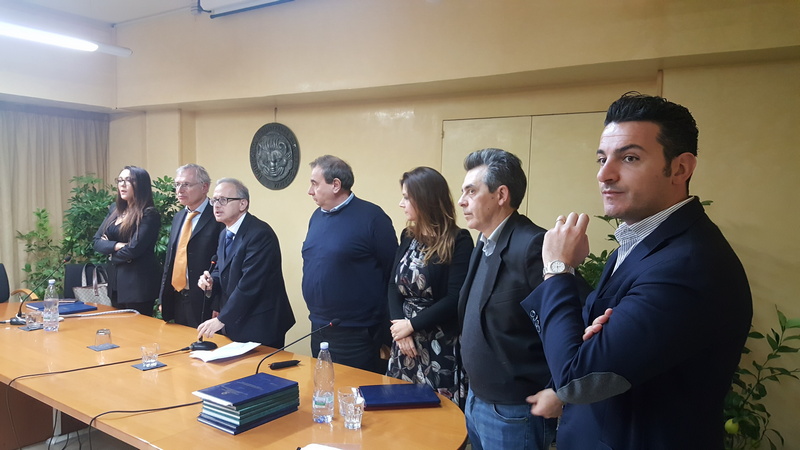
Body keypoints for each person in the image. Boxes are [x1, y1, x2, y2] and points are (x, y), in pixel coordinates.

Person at [522, 92, 753, 449]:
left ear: (681, 168)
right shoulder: (642, 240)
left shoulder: (689, 264)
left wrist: (558, 269)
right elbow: (597, 335)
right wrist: (595, 334)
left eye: (629, 158)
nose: (604, 174)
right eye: (602, 159)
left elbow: (575, 379)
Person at [456, 148, 557, 450]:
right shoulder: (484, 241)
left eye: (471, 191)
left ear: (501, 195)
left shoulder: (534, 244)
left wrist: (559, 390)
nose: (461, 201)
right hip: (477, 398)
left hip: (514, 410)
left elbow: (572, 317)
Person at [386, 167, 473, 406]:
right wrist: (400, 329)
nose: (401, 204)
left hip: (439, 343)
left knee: (438, 413)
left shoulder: (459, 240)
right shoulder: (407, 235)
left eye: (406, 198)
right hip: (404, 342)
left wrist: (411, 325)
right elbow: (393, 286)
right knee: (400, 408)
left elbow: (455, 298)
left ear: (424, 199)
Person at [302, 155, 397, 373]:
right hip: (319, 327)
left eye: (315, 184)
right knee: (324, 387)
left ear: (336, 185)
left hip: (357, 332)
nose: (310, 191)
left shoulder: (372, 217)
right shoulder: (317, 217)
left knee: (354, 391)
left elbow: (392, 271)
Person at [197, 178, 295, 348]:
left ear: (243, 204)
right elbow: (221, 269)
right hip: (236, 321)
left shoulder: (259, 234)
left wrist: (222, 319)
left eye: (223, 200)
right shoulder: (224, 233)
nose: (216, 205)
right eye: (214, 200)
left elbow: (250, 284)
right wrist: (211, 281)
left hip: (261, 323)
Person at [159, 164, 224, 328]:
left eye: (186, 184)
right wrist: (163, 297)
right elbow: (170, 260)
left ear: (205, 187)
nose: (179, 190)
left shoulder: (218, 216)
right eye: (177, 184)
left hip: (205, 300)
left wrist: (218, 303)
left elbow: (223, 265)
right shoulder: (179, 217)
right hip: (178, 297)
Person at [93, 166, 161, 316]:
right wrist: (117, 245)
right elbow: (96, 242)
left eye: (129, 180)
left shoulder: (149, 214)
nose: (122, 185)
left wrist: (110, 253)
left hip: (137, 285)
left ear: (141, 184)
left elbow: (133, 249)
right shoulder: (114, 209)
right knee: (119, 326)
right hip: (116, 282)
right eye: (120, 180)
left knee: (137, 328)